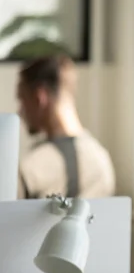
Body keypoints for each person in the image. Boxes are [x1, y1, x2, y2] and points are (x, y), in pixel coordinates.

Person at [16, 54, 116, 199]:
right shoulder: (101, 158)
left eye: (22, 100)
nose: (20, 112)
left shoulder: (32, 167)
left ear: (40, 97)